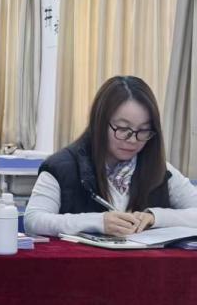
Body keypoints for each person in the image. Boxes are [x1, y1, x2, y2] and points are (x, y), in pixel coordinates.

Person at [25, 76, 197, 237]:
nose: (133, 140)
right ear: (99, 123)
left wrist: (155, 218)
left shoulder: (160, 169)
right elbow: (33, 221)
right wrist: (98, 222)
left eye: (143, 130)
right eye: (123, 128)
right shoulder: (62, 167)